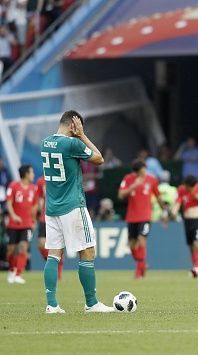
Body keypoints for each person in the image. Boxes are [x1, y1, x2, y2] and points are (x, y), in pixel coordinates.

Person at [40, 110, 113, 313]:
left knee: (54, 254)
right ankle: (91, 303)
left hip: (52, 207)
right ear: (74, 124)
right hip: (72, 205)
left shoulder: (45, 142)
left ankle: (52, 304)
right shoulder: (71, 143)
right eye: (79, 126)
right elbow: (99, 159)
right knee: (87, 251)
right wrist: (82, 136)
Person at [118, 159, 165, 279]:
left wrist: (164, 212)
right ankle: (142, 263)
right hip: (132, 217)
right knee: (132, 245)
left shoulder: (152, 179)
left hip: (145, 216)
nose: (145, 172)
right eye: (142, 170)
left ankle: (139, 271)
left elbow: (158, 197)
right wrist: (134, 185)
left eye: (145, 169)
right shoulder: (128, 178)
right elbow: (120, 195)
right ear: (137, 172)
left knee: (141, 239)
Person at [170, 175, 198, 278]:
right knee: (192, 246)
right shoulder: (182, 190)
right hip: (188, 221)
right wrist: (174, 211)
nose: (186, 189)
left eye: (188, 187)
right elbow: (178, 201)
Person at [5, 165, 37, 285]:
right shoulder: (13, 186)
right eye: (31, 172)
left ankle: (18, 274)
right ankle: (11, 270)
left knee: (23, 246)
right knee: (11, 250)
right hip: (14, 224)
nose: (33, 174)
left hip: (27, 224)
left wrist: (33, 220)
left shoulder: (33, 189)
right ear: (26, 174)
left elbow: (34, 206)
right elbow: (9, 202)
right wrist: (13, 215)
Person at [35, 176, 63, 280]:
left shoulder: (60, 178)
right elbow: (39, 198)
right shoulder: (41, 181)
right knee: (41, 244)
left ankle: (58, 269)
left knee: (56, 246)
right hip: (44, 217)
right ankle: (55, 263)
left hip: (57, 215)